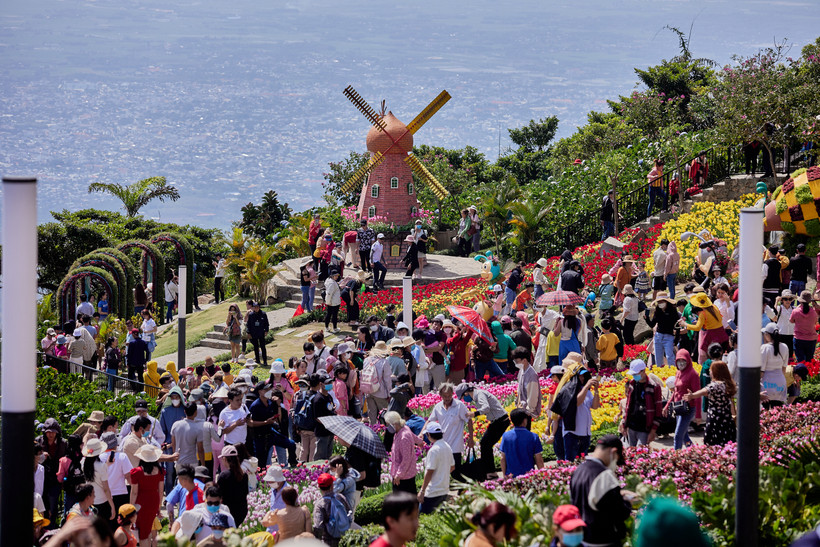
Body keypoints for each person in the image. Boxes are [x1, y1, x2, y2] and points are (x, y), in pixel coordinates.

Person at [569, 435, 632, 547]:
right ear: (613, 452)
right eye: (617, 460)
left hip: (583, 539)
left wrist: (618, 494)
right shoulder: (604, 475)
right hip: (603, 540)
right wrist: (627, 502)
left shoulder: (578, 471)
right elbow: (617, 511)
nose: (615, 465)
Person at [456, 383, 509, 476]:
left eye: (463, 396)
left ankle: (490, 471)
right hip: (499, 421)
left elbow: (486, 408)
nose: (464, 399)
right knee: (486, 444)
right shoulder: (478, 395)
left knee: (485, 444)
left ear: (466, 393)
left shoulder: (479, 394)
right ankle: (490, 470)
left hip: (500, 421)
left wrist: (474, 414)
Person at [683, 360, 737, 445]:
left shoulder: (714, 385)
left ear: (716, 372)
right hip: (727, 420)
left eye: (711, 370)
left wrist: (692, 395)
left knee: (713, 446)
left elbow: (704, 391)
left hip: (715, 421)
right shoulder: (728, 384)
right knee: (727, 445)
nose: (710, 372)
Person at [425, 383, 472, 478]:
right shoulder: (438, 407)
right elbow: (430, 420)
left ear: (452, 394)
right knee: (444, 469)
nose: (447, 398)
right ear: (441, 395)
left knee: (455, 470)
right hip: (443, 444)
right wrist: (422, 433)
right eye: (445, 396)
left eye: (449, 395)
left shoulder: (459, 406)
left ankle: (463, 488)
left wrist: (471, 438)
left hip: (455, 444)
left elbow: (469, 420)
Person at [664, 349, 701, 450]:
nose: (681, 363)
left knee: (677, 436)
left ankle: (677, 459)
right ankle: (693, 450)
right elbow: (675, 391)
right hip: (679, 408)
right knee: (684, 435)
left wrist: (698, 415)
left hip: (688, 408)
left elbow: (698, 395)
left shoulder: (693, 374)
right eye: (678, 360)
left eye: (683, 360)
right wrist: (667, 406)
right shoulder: (678, 372)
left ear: (688, 360)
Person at [129, 444, 166, 546]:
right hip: (153, 502)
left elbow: (134, 492)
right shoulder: (160, 471)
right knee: (148, 529)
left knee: (143, 534)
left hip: (141, 503)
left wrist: (131, 507)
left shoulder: (136, 472)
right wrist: (158, 507)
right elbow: (161, 491)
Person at [620, 360, 662, 447]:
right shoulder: (632, 384)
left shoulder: (654, 386)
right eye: (633, 374)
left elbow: (658, 411)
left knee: (641, 453)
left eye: (636, 374)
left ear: (643, 371)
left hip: (644, 428)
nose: (634, 376)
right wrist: (624, 423)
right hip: (631, 426)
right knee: (631, 454)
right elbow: (628, 406)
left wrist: (653, 431)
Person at [417, 422, 454, 514]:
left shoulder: (434, 450)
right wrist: (442, 475)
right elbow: (452, 467)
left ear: (429, 434)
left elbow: (429, 472)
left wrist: (422, 491)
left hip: (432, 491)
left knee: (423, 519)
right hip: (444, 489)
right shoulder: (447, 446)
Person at [383, 411, 422, 495]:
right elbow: (414, 437)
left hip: (404, 477)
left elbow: (406, 459)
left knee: (403, 502)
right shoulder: (403, 429)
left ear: (394, 424)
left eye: (388, 424)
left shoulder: (403, 437)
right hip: (403, 473)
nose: (387, 427)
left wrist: (398, 475)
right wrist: (420, 442)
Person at [81, 437, 117, 526]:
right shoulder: (101, 466)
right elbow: (105, 488)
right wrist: (112, 506)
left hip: (89, 500)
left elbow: (94, 470)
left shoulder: (83, 463)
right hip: (102, 501)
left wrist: (107, 465)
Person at [499, 408, 544, 477]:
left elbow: (502, 458)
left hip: (511, 476)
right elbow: (539, 459)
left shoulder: (505, 436)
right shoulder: (533, 437)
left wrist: (504, 475)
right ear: (524, 420)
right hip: (528, 476)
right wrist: (542, 475)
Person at [312, 472, 352, 546]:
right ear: (332, 486)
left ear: (319, 487)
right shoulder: (340, 497)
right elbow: (349, 513)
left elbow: (318, 526)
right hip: (344, 538)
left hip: (328, 541)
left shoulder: (319, 504)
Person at [644, 293, 679, 368]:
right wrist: (647, 319)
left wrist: (676, 339)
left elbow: (677, 325)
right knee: (658, 358)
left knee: (670, 356)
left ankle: (673, 372)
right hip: (658, 336)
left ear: (666, 301)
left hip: (669, 336)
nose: (660, 304)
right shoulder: (657, 310)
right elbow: (652, 324)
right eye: (658, 302)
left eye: (662, 302)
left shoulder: (672, 311)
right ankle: (660, 373)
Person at [216, 445, 248, 525]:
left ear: (224, 459)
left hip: (228, 512)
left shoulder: (223, 476)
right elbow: (245, 492)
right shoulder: (244, 474)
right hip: (241, 511)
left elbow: (219, 495)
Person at [761, 323, 789, 408]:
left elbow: (761, 371)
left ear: (767, 335)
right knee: (777, 412)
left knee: (765, 413)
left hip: (766, 383)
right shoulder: (785, 347)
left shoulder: (765, 348)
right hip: (780, 382)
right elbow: (784, 368)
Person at [514, 347, 541, 423]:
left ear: (524, 360)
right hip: (521, 408)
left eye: (517, 361)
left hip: (527, 412)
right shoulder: (522, 370)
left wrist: (529, 411)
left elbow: (533, 394)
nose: (516, 363)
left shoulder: (532, 375)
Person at [313, 374, 337, 460]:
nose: (329, 384)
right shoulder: (318, 399)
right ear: (321, 384)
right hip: (322, 432)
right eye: (327, 383)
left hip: (330, 431)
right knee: (320, 457)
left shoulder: (329, 396)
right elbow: (317, 418)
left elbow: (330, 408)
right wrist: (328, 422)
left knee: (328, 456)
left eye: (330, 382)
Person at [791, 290, 820, 362]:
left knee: (800, 361)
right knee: (809, 361)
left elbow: (791, 321)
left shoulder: (796, 311)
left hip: (799, 339)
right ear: (810, 301)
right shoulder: (813, 312)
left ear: (800, 301)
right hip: (811, 339)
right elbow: (815, 322)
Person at [246, 302, 270, 366]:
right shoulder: (251, 315)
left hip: (261, 332)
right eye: (255, 307)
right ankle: (257, 360)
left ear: (259, 307)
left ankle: (265, 360)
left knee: (263, 347)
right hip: (254, 333)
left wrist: (266, 330)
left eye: (257, 307)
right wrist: (248, 332)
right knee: (255, 347)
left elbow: (266, 324)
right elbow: (248, 324)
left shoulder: (263, 314)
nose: (256, 308)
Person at [324, 268, 342, 333]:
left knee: (329, 314)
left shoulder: (329, 280)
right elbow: (329, 293)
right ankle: (334, 328)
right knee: (334, 315)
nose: (337, 277)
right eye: (336, 276)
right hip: (333, 302)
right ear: (332, 276)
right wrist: (328, 302)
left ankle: (327, 327)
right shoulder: (331, 283)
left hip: (332, 301)